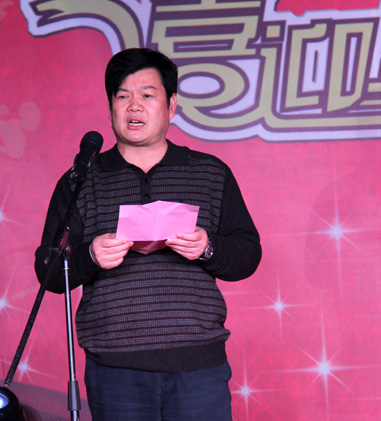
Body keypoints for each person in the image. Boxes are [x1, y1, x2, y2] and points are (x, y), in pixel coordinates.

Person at [35, 48, 262, 420]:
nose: (134, 106)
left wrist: (207, 248)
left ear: (171, 105)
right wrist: (90, 256)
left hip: (198, 366)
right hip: (114, 370)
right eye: (122, 96)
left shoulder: (209, 172)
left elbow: (248, 255)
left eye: (147, 95)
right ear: (110, 107)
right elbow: (48, 271)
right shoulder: (81, 181)